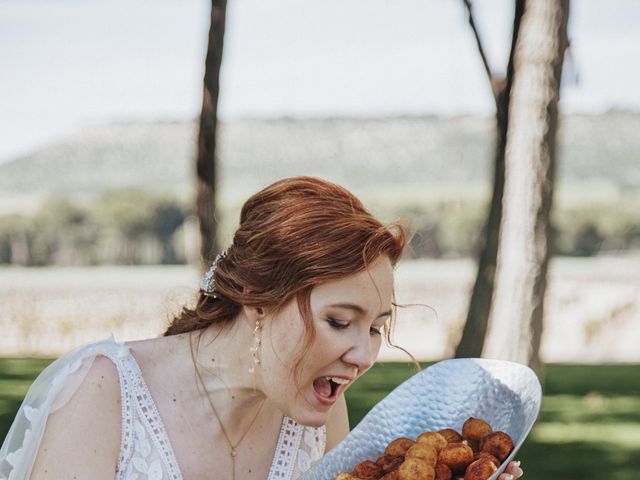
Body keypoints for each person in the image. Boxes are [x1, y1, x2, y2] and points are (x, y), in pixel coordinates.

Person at [0, 177, 523, 480]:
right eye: (340, 321)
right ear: (257, 301)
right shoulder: (103, 393)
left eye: (376, 329)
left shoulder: (319, 414)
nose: (363, 355)